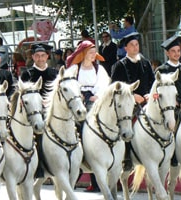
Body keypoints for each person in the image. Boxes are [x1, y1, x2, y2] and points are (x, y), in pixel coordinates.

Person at [67, 40, 110, 192]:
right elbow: (69, 85)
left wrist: (96, 95)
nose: (93, 56)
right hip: (78, 102)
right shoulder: (74, 69)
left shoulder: (99, 69)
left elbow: (104, 84)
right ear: (84, 53)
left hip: (95, 101)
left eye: (94, 53)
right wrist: (82, 95)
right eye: (91, 53)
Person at [111, 32, 155, 171]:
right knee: (126, 123)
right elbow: (115, 88)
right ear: (126, 48)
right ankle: (127, 156)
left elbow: (153, 82)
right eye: (132, 45)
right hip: (128, 104)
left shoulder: (146, 63)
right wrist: (133, 96)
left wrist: (149, 94)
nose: (135, 48)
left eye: (137, 45)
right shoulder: (119, 65)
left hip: (147, 102)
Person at [156, 35, 181, 166]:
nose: (176, 54)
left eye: (178, 51)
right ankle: (172, 155)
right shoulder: (161, 70)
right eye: (173, 51)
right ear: (167, 53)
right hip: (168, 108)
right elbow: (156, 91)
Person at [20, 43, 59, 178]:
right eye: (37, 56)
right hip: (35, 113)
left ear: (47, 56)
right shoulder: (27, 74)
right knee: (38, 136)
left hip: (53, 111)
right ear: (33, 57)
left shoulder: (54, 73)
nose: (40, 58)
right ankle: (40, 165)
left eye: (43, 56)